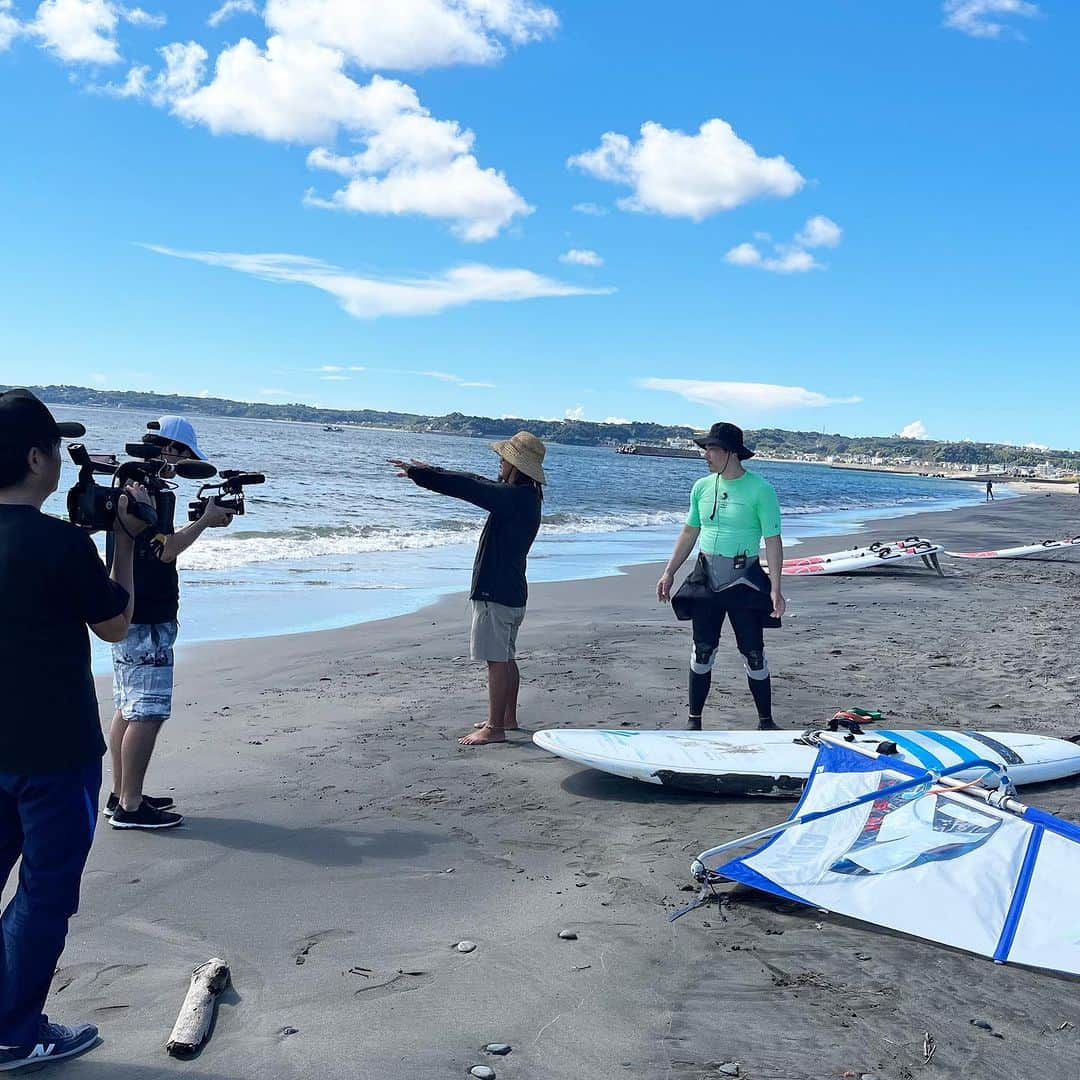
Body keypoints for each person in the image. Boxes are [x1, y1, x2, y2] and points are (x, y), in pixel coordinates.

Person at [0, 389, 150, 1070]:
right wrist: (122, 544)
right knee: (45, 892)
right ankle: (13, 1030)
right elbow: (116, 625)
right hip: (54, 751)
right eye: (55, 451)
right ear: (35, 458)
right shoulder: (61, 543)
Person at [106, 416, 233, 831]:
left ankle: (121, 793)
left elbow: (150, 545)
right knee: (148, 712)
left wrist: (199, 519)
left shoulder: (130, 485)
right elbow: (164, 551)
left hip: (128, 606)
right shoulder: (147, 490)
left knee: (128, 707)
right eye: (184, 457)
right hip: (149, 614)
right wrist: (204, 522)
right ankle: (130, 805)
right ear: (171, 450)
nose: (181, 468)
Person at [388, 432, 546, 747]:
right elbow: (477, 480)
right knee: (505, 656)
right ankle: (507, 718)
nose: (499, 462)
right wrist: (431, 471)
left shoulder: (513, 499)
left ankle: (495, 728)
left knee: (496, 660)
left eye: (503, 458)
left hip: (496, 594)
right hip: (511, 592)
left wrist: (422, 475)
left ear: (516, 465)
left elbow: (471, 488)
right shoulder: (526, 496)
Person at [656, 422, 785, 731]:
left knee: (753, 653)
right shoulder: (701, 487)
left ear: (730, 453)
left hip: (745, 579)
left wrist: (776, 589)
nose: (706, 455)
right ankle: (694, 721)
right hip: (706, 577)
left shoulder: (760, 490)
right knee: (702, 651)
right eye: (706, 449)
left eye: (711, 449)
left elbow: (773, 540)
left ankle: (766, 722)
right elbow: (689, 532)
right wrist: (669, 571)